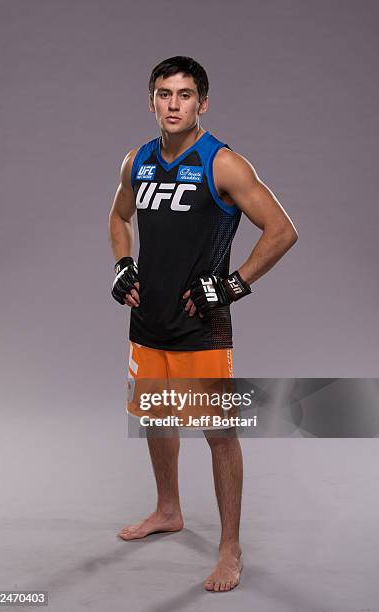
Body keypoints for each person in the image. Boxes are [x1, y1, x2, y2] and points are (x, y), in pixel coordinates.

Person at [109, 56, 298, 592]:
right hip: (148, 320)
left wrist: (233, 284)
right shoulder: (137, 161)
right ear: (151, 100)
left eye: (185, 94)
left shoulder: (223, 163)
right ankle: (168, 509)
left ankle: (230, 548)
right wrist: (123, 265)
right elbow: (118, 217)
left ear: (203, 102)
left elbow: (282, 230)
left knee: (219, 435)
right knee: (157, 417)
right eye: (165, 94)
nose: (174, 104)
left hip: (201, 325)